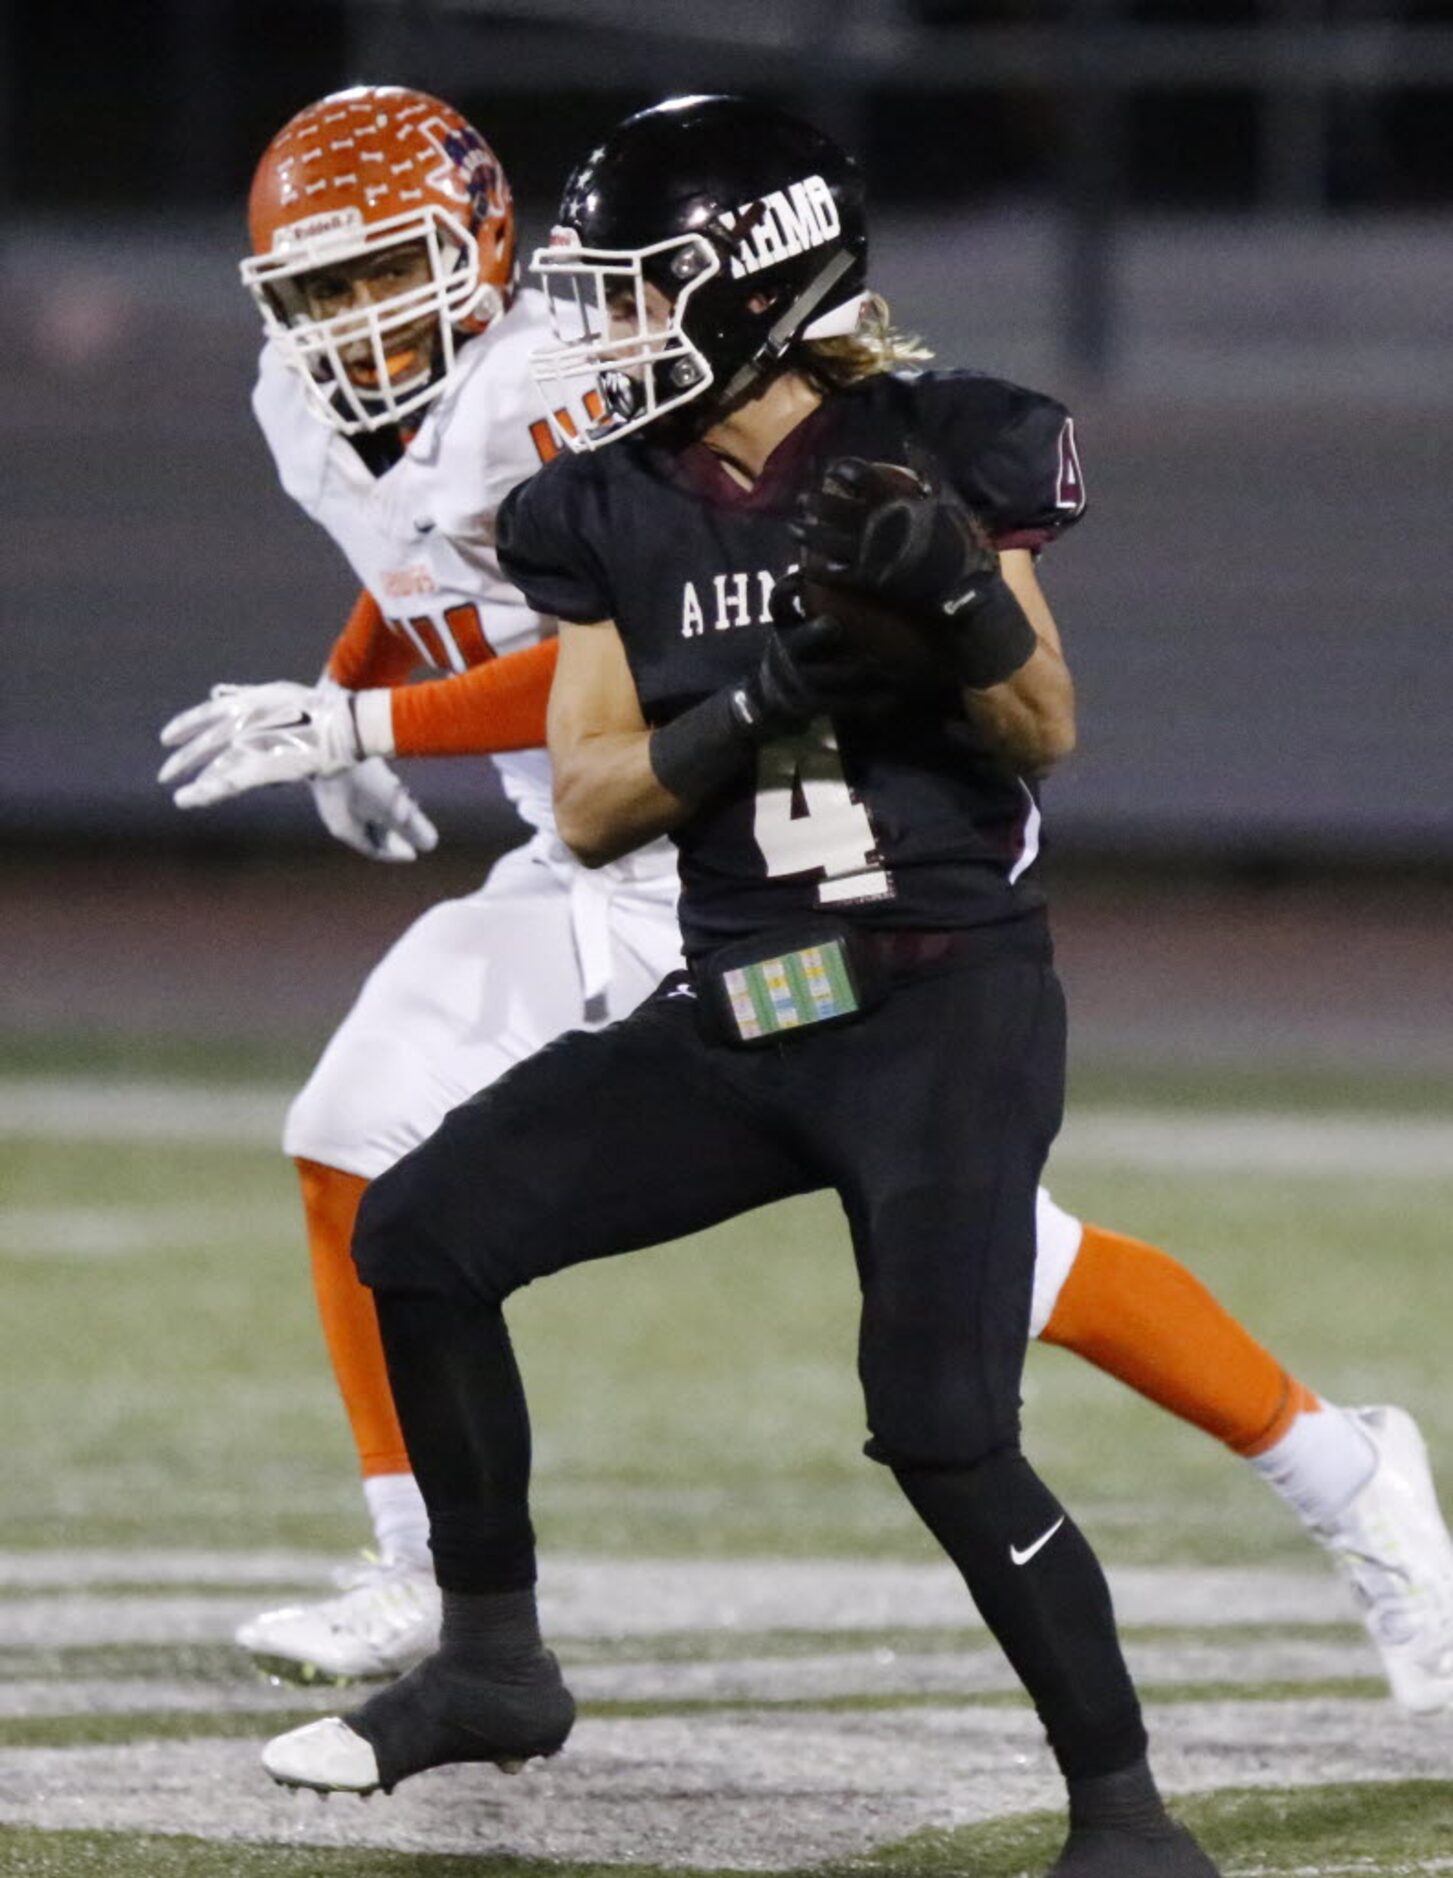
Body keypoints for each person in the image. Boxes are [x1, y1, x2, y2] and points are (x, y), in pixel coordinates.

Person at [158, 87, 1453, 1735]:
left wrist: (357, 722)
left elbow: (607, 644)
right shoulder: (318, 401)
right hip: (594, 846)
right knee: (350, 1127)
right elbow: (412, 556)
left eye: (376, 276)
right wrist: (350, 678)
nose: (345, 324)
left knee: (999, 1266)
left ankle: (1345, 1471)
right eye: (314, 293)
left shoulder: (583, 392)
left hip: (747, 861)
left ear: (478, 244)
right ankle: (428, 1563)